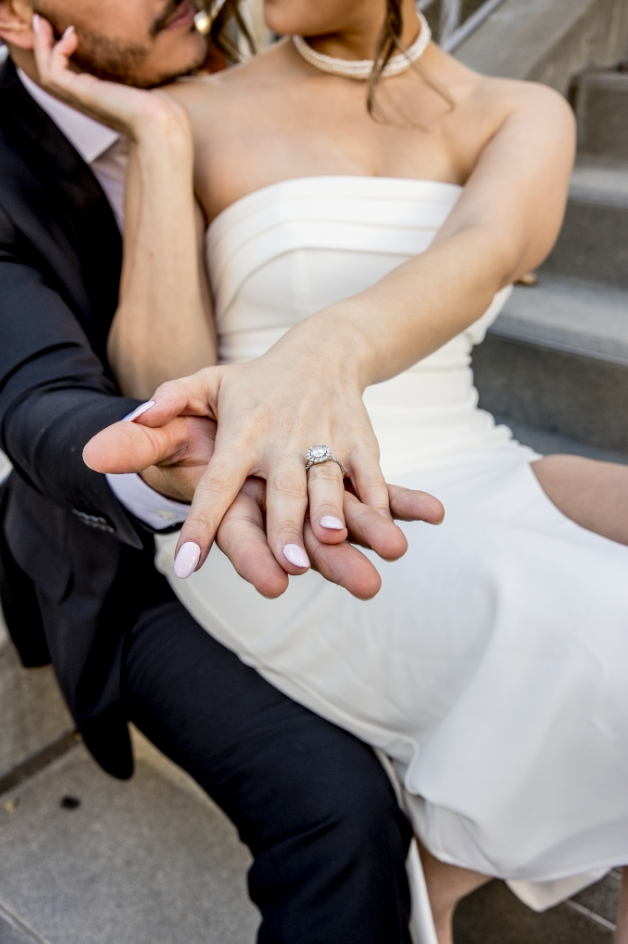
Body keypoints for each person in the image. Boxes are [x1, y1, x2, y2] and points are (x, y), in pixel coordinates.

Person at [34, 1, 628, 942]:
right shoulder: (199, 105)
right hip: (276, 503)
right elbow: (158, 381)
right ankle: (456, 835)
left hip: (467, 460)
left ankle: (443, 854)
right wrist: (156, 136)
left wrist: (325, 352)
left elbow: (483, 256)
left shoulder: (517, 111)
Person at [0, 1, 458, 941]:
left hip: (339, 487)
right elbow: (36, 399)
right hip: (125, 560)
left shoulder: (268, 70)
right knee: (339, 812)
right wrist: (164, 453)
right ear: (19, 13)